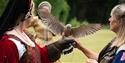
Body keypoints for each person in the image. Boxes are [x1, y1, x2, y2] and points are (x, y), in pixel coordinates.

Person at [0, 0, 76, 63]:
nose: (33, 15)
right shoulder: (9, 43)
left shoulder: (26, 36)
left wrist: (57, 46)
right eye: (32, 12)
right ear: (27, 14)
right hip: (41, 40)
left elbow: (39, 56)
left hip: (47, 41)